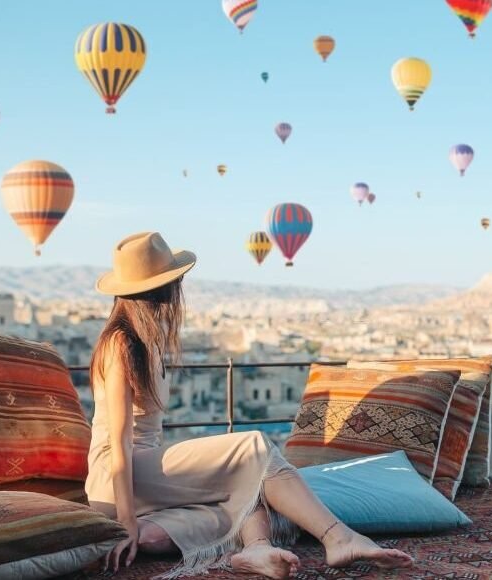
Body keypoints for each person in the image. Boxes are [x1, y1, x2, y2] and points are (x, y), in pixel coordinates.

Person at [86, 232, 413, 579]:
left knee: (237, 490)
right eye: (175, 278)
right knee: (254, 446)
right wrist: (126, 523)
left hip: (147, 474)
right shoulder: (120, 344)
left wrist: (138, 528)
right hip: (118, 477)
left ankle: (255, 549)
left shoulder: (145, 341)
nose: (180, 285)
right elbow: (119, 445)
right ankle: (338, 536)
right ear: (161, 286)